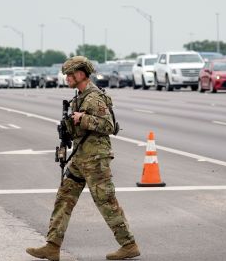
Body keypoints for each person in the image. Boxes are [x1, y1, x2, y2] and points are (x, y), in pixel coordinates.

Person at [26, 56, 140, 261]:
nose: (67, 78)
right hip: (81, 157)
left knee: (105, 201)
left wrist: (83, 119)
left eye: (70, 74)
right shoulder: (79, 97)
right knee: (64, 198)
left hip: (96, 158)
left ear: (81, 74)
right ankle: (52, 246)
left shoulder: (94, 97)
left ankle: (129, 245)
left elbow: (109, 126)